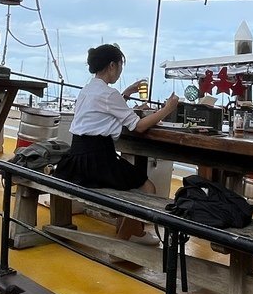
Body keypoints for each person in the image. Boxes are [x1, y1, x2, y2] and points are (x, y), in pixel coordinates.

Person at [54, 44, 179, 244]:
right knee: (148, 188)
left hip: (76, 158)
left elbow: (105, 108)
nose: (120, 71)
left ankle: (135, 232)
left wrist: (127, 93)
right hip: (98, 160)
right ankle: (122, 242)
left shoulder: (88, 89)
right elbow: (138, 126)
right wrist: (167, 108)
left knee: (128, 180)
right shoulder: (108, 94)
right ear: (112, 65)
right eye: (120, 66)